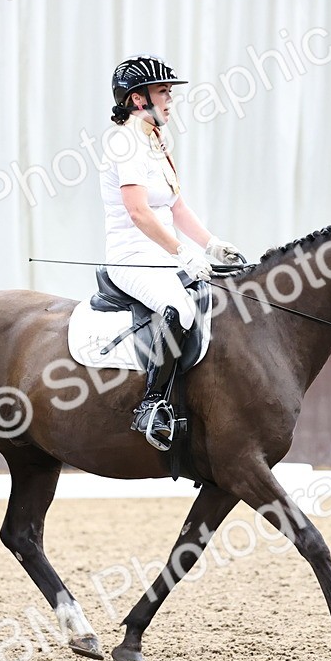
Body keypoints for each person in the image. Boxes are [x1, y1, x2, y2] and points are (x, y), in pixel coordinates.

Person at [101, 55, 244, 450]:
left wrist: (211, 243)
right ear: (137, 99)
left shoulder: (158, 139)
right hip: (132, 258)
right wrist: (183, 253)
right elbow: (139, 212)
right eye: (163, 91)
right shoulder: (124, 142)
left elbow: (176, 207)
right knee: (178, 309)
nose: (170, 99)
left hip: (164, 254)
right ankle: (150, 405)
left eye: (169, 92)